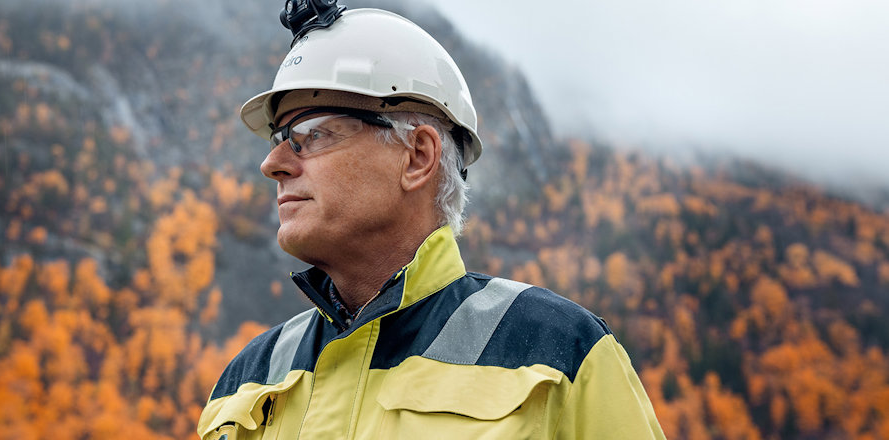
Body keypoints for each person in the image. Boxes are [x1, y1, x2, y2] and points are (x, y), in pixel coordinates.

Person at [197, 4, 665, 439]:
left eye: (312, 133)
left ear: (418, 156)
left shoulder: (564, 355)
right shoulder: (244, 381)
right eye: (279, 138)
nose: (273, 163)